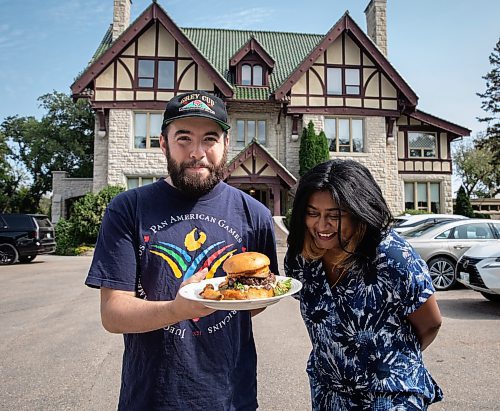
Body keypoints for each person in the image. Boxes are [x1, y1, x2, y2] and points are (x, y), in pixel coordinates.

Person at [85, 90, 279, 410]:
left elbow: (258, 303)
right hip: (151, 397)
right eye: (184, 138)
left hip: (232, 397)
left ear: (226, 144)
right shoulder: (128, 209)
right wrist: (179, 309)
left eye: (210, 139)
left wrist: (229, 297)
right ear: (164, 143)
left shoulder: (254, 215)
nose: (197, 152)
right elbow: (113, 314)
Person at [284, 159, 443, 410]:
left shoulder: (391, 256)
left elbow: (430, 322)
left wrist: (385, 362)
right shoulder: (303, 256)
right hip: (329, 392)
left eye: (335, 216)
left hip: (390, 394)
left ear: (359, 212)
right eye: (313, 213)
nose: (321, 226)